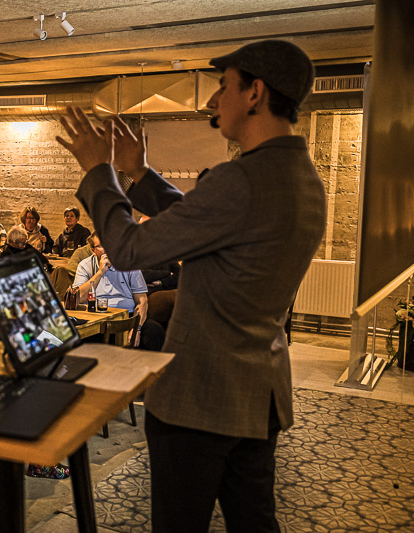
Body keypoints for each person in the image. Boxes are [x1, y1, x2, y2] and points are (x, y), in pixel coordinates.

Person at [56, 40, 326, 533]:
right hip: (256, 389)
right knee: (254, 522)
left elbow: (128, 249)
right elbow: (204, 218)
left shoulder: (239, 180)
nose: (211, 101)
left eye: (223, 86)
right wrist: (138, 172)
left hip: (201, 397)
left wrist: (99, 171)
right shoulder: (300, 175)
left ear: (255, 93)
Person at [72, 233, 161, 350]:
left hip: (127, 317)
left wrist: (136, 328)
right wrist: (100, 272)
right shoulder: (85, 265)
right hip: (96, 318)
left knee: (154, 331)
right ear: (93, 250)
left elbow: (142, 300)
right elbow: (78, 299)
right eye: (101, 246)